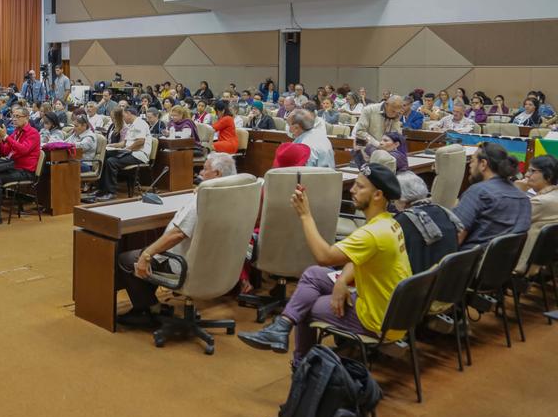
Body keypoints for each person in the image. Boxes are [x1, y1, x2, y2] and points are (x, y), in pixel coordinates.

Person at [238, 164, 412, 364]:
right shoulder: (389, 222)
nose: (352, 190)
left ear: (378, 195)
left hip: (377, 319)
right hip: (390, 308)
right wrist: (342, 282)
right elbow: (358, 260)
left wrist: (305, 215)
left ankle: (302, 367)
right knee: (314, 274)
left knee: (305, 307)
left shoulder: (372, 234)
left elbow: (324, 256)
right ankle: (282, 327)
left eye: (360, 187)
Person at [115, 153, 237, 326]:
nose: (201, 172)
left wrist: (148, 253)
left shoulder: (203, 199)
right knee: (151, 250)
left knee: (127, 259)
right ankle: (152, 305)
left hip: (186, 265)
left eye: (205, 169)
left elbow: (178, 235)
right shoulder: (238, 194)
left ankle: (147, 310)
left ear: (216, 174)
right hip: (217, 262)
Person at [454, 143, 531, 250]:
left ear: (483, 164)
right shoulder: (524, 199)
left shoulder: (478, 192)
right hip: (503, 265)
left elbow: (456, 237)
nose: (470, 166)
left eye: (472, 161)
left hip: (468, 263)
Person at [393, 171, 462, 274]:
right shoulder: (443, 211)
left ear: (401, 198)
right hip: (450, 281)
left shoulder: (400, 222)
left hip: (418, 286)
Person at [95, 107, 153, 202]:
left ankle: (111, 192)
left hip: (138, 155)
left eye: (124, 115)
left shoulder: (140, 123)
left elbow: (140, 141)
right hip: (130, 152)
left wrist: (127, 150)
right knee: (104, 156)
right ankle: (102, 189)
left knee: (111, 162)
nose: (123, 118)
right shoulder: (131, 125)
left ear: (129, 113)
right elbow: (124, 143)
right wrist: (110, 145)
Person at [514, 155, 558, 273]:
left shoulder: (540, 202)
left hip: (518, 262)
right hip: (539, 262)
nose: (527, 175)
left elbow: (509, 221)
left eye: (532, 171)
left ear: (548, 176)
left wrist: (518, 191)